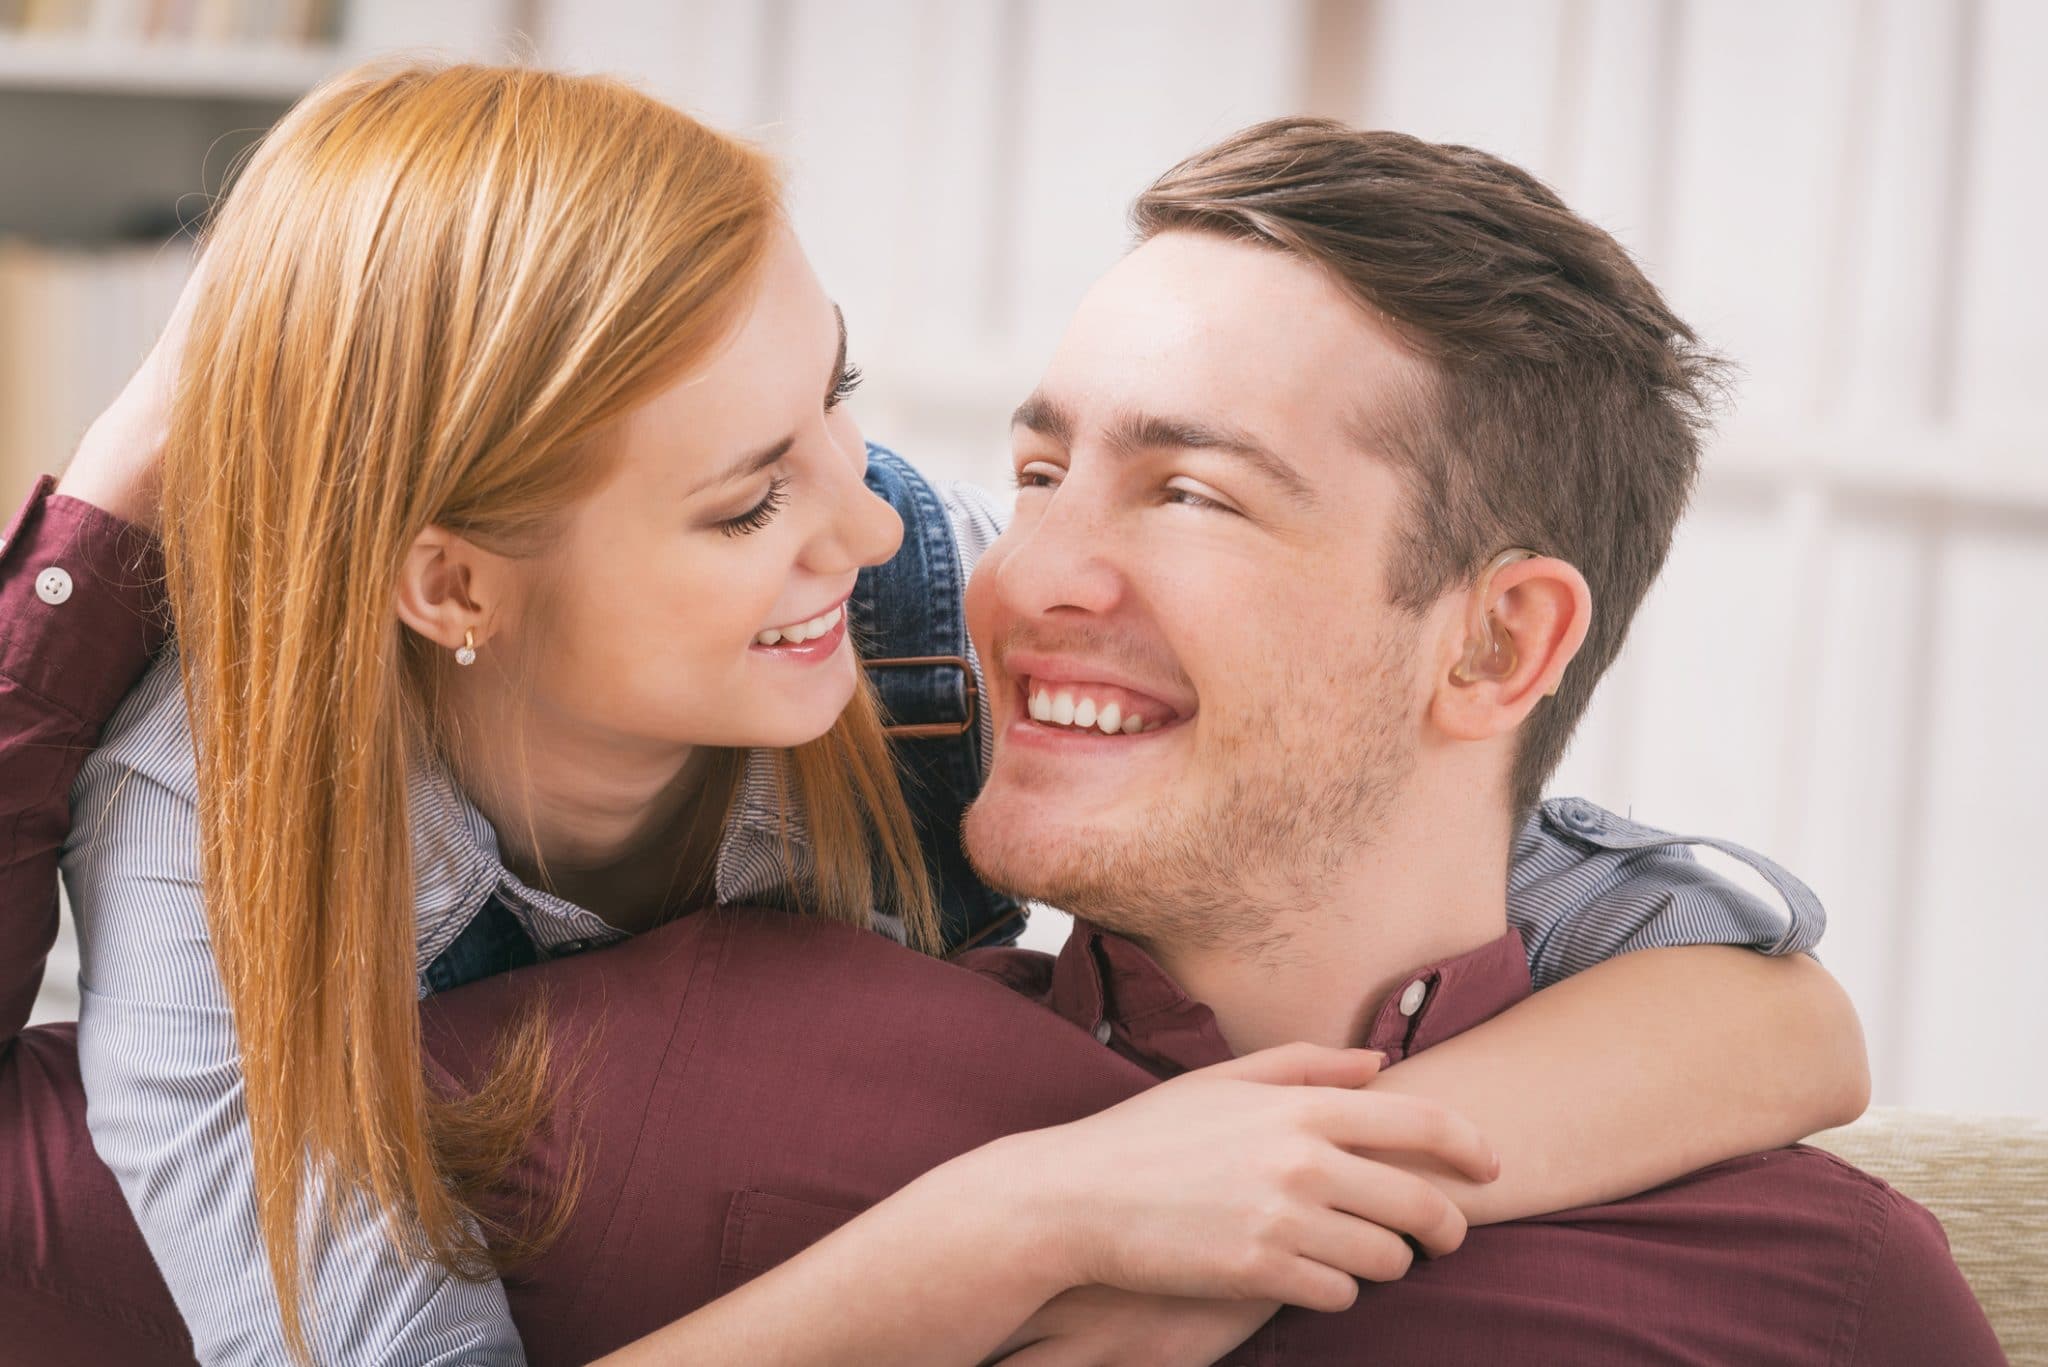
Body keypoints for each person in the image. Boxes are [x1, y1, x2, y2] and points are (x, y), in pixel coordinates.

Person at [0, 64, 1869, 1365]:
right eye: (746, 501)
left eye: (845, 401)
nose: (886, 524)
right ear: (455, 584)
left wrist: (1265, 1221)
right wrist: (1020, 1228)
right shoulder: (214, 818)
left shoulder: (908, 621)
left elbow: (1735, 980)